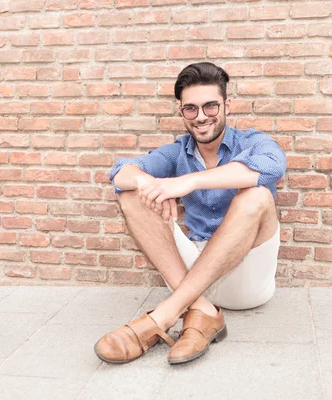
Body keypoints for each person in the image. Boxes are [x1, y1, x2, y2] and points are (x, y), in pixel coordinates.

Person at [94, 62, 287, 365]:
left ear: (227, 105)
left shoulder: (252, 142)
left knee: (257, 195)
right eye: (191, 109)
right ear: (181, 111)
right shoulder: (177, 151)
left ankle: (165, 314)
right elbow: (120, 173)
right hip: (192, 273)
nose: (201, 117)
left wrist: (185, 182)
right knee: (133, 195)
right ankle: (201, 311)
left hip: (245, 280)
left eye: (211, 106)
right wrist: (149, 184)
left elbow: (273, 166)